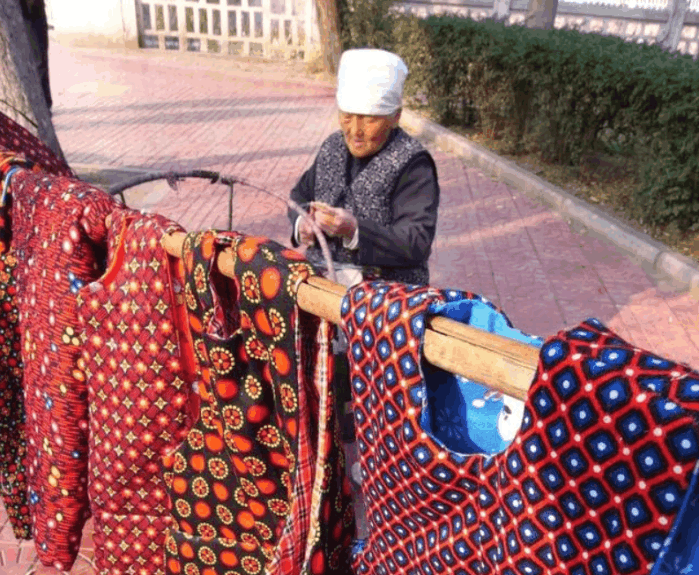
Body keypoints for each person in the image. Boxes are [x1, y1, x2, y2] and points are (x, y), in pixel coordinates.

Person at [288, 48, 440, 287]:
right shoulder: (332, 146)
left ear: (395, 117)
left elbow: (416, 241)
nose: (356, 131)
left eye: (370, 119)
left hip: (383, 296)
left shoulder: (413, 163)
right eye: (347, 117)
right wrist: (302, 224)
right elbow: (299, 196)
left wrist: (355, 231)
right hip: (323, 283)